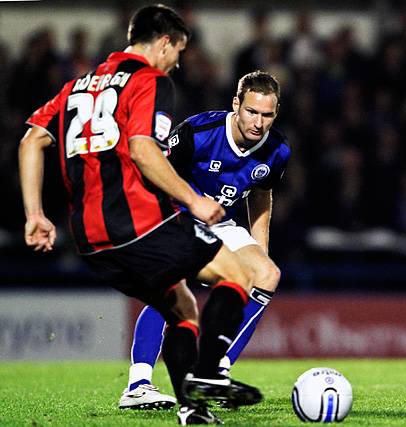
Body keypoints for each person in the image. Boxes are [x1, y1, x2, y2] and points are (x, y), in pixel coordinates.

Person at [18, 5, 261, 425]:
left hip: (90, 240)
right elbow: (142, 150)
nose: (178, 61)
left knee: (182, 307)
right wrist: (196, 200)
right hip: (139, 222)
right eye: (178, 50)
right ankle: (208, 375)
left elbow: (31, 141)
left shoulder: (78, 86)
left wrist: (35, 215)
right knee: (238, 275)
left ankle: (192, 411)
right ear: (164, 42)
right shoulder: (149, 79)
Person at [119, 70, 290, 409]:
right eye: (251, 112)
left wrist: (260, 250)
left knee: (268, 274)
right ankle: (138, 385)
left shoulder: (277, 150)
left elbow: (260, 196)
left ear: (276, 112)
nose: (258, 122)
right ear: (236, 104)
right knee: (171, 287)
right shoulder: (199, 132)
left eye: (267, 115)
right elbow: (155, 175)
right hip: (176, 214)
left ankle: (215, 372)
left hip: (221, 222)